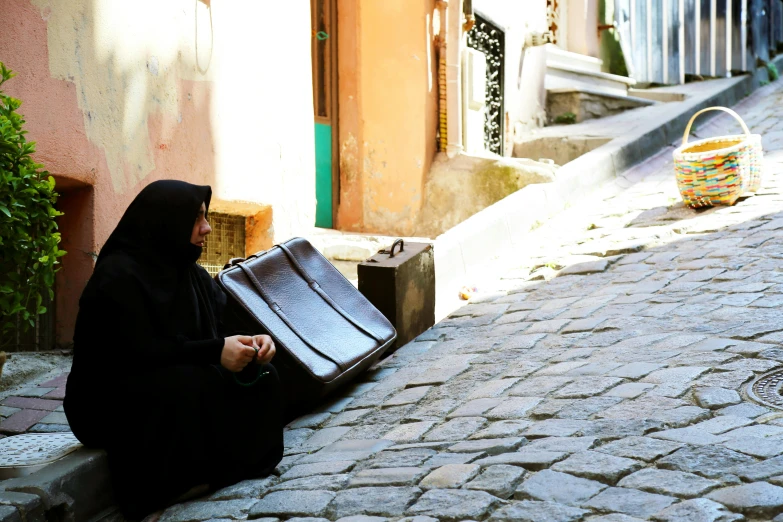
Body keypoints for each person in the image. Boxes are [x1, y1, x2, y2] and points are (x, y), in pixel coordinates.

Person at [63, 180, 284, 518]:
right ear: (166, 221)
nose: (207, 228)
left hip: (174, 374)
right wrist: (214, 352)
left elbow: (221, 329)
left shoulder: (188, 273)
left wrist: (253, 343)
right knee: (189, 384)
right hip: (108, 399)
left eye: (206, 218)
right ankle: (166, 486)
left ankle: (225, 467)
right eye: (197, 218)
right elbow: (137, 354)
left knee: (262, 374)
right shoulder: (118, 277)